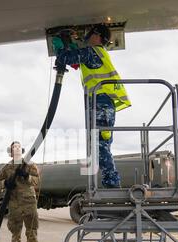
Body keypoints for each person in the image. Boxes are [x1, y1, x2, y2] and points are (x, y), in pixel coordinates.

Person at [54, 24, 132, 188]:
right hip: (104, 103)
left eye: (89, 33)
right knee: (102, 145)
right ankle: (111, 182)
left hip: (101, 103)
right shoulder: (98, 54)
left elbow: (66, 58)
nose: (87, 36)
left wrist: (60, 46)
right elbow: (77, 63)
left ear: (96, 35)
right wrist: (71, 49)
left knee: (99, 146)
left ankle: (112, 183)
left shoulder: (92, 52)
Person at [0, 141, 40, 242]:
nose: (16, 148)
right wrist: (5, 183)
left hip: (29, 203)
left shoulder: (30, 165)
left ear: (22, 150)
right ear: (10, 151)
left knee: (31, 232)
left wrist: (27, 176)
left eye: (19, 146)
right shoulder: (6, 168)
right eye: (14, 147)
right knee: (15, 233)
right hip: (14, 204)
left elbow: (37, 181)